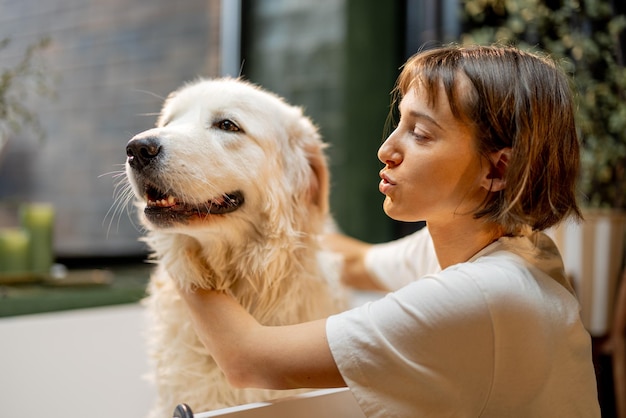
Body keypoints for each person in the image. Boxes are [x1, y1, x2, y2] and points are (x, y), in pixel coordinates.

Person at [176, 44, 601, 417]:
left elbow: (248, 359)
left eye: (419, 133)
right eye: (400, 123)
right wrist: (290, 199)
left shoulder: (483, 296)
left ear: (497, 169)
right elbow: (354, 261)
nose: (387, 150)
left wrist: (177, 234)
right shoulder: (502, 248)